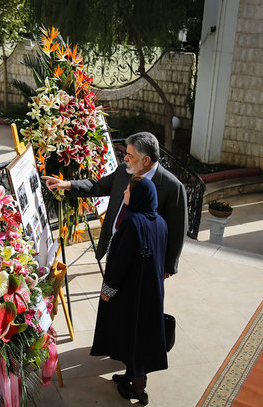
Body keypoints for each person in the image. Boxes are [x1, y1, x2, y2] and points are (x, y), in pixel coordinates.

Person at [42, 131, 187, 277]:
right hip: (115, 249)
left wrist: (168, 267)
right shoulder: (124, 171)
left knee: (136, 298)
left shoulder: (173, 187)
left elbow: (177, 231)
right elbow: (98, 186)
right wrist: (67, 185)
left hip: (145, 261)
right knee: (111, 294)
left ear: (146, 160)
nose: (125, 158)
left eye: (130, 156)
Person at [90, 175, 168, 404]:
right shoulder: (159, 222)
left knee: (133, 337)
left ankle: (138, 391)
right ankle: (129, 376)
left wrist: (108, 290)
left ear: (139, 196)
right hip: (150, 292)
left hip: (130, 294)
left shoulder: (132, 223)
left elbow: (121, 262)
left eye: (128, 190)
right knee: (138, 336)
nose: (124, 193)